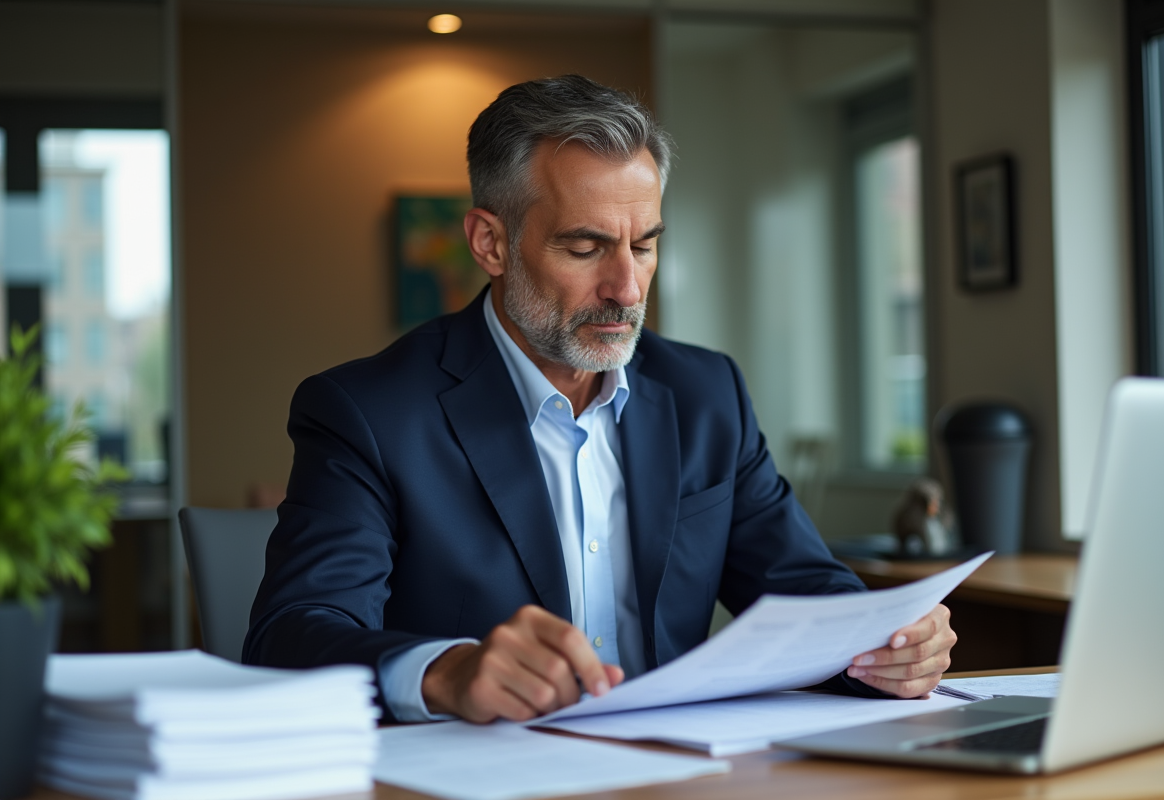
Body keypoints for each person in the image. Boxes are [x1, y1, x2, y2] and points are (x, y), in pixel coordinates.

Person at [244, 74, 956, 723]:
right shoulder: (367, 413)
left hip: (682, 772)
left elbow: (805, 590)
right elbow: (293, 633)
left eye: (643, 245)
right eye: (585, 249)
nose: (628, 288)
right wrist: (446, 672)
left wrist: (889, 643)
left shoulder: (707, 394)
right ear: (491, 243)